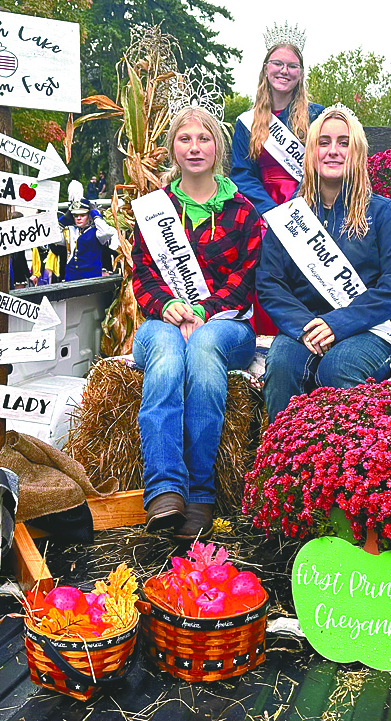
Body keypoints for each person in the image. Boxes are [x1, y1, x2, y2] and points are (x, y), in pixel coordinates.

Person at [131, 105, 262, 540]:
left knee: (204, 349)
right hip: (161, 321)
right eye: (185, 139)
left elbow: (246, 277)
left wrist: (203, 312)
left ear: (218, 147)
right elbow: (143, 272)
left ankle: (201, 492)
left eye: (203, 138)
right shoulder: (154, 209)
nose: (194, 147)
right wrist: (167, 305)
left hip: (228, 324)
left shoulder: (243, 211)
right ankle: (165, 490)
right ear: (173, 147)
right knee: (167, 355)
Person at [257, 104, 391, 423]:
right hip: (306, 326)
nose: (333, 151)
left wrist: (338, 324)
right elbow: (270, 283)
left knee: (338, 367)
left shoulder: (384, 214)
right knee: (283, 365)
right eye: (324, 142)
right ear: (312, 152)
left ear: (357, 153)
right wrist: (305, 327)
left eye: (344, 143)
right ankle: (282, 464)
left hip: (369, 328)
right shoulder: (290, 217)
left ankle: (351, 468)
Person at [231, 23, 324, 216]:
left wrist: (294, 208)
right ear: (266, 68)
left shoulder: (316, 116)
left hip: (309, 209)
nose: (284, 71)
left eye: (292, 66)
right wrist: (272, 212)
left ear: (300, 74)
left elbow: (321, 168)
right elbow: (242, 174)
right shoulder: (247, 123)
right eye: (278, 64)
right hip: (263, 214)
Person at [50, 200, 118, 282]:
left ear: (89, 216)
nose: (79, 218)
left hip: (91, 276)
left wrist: (95, 214)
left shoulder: (97, 231)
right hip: (71, 276)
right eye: (75, 215)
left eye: (82, 215)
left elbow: (106, 232)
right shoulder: (70, 231)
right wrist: (64, 219)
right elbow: (52, 236)